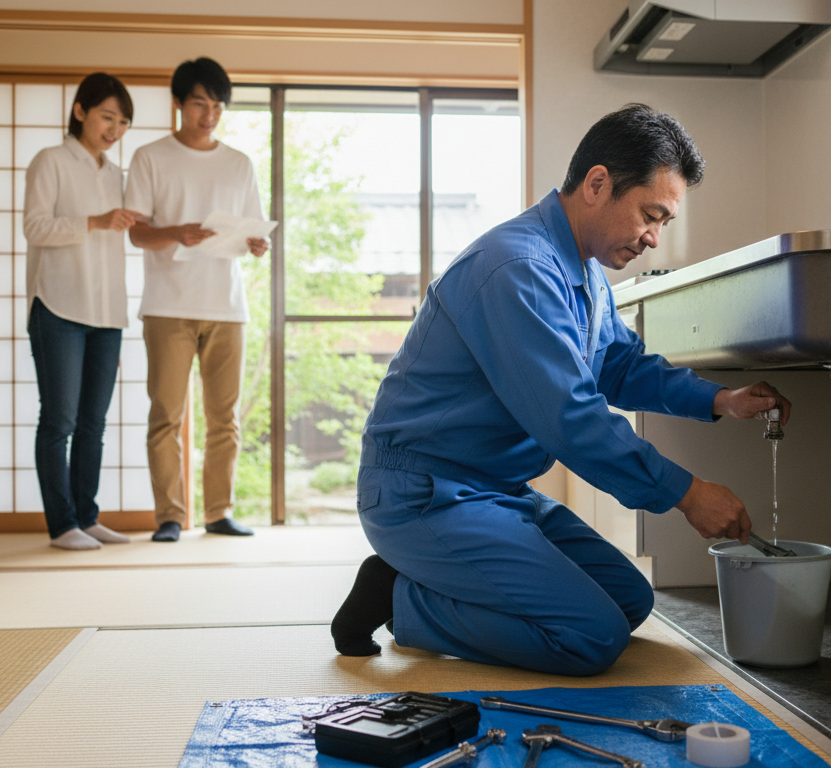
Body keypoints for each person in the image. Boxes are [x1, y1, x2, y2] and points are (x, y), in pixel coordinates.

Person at [331, 104, 792, 675]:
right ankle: (399, 597)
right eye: (651, 215)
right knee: (590, 636)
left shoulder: (584, 272)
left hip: (497, 489)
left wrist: (719, 400)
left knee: (630, 600)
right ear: (598, 183)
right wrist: (687, 493)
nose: (653, 237)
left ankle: (428, 587)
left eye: (664, 223)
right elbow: (569, 418)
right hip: (422, 490)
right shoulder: (515, 267)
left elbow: (620, 365)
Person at [125, 57, 270, 543]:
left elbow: (251, 226)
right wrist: (176, 233)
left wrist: (255, 243)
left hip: (226, 306)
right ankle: (169, 516)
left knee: (223, 418)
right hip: (167, 304)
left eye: (217, 105)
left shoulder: (238, 163)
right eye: (200, 104)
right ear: (180, 103)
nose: (209, 114)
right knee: (165, 415)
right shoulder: (150, 157)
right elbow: (138, 234)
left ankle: (218, 513)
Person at [23, 73, 141, 550]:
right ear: (80, 113)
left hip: (107, 309)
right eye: (107, 117)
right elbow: (34, 227)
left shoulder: (116, 173)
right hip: (58, 304)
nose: (115, 128)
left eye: (124, 122)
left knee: (95, 423)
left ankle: (87, 517)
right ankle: (61, 524)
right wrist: (94, 222)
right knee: (59, 420)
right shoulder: (49, 161)